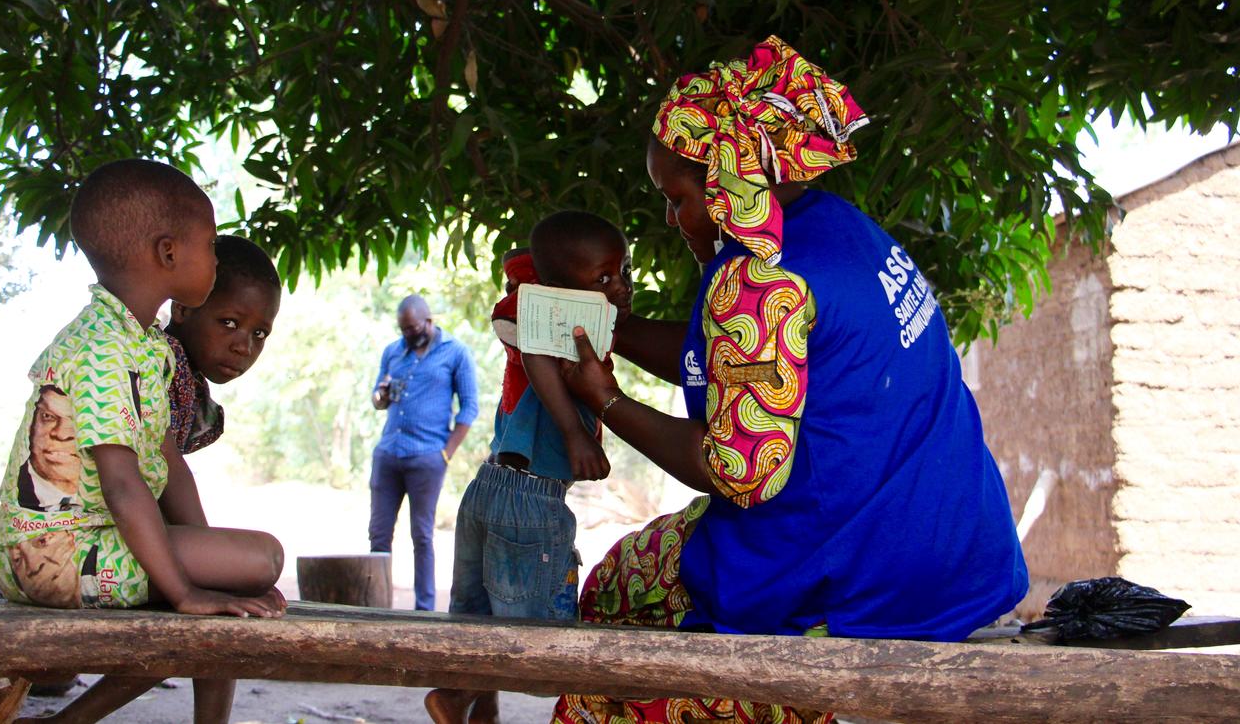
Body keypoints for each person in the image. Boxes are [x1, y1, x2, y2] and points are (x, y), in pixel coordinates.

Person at [551, 36, 1029, 723]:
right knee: (629, 572)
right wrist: (613, 332)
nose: (671, 218)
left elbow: (736, 471)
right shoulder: (840, 230)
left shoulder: (757, 279)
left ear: (722, 187)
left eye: (677, 197)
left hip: (868, 585)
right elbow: (728, 358)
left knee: (603, 649)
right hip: (957, 547)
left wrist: (608, 400)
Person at [0, 158, 286, 724]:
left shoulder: (143, 342)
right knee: (259, 559)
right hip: (52, 556)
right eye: (208, 244)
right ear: (169, 252)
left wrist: (213, 563)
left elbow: (168, 463)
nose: (214, 256)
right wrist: (186, 589)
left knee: (248, 565)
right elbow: (123, 483)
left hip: (85, 545)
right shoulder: (102, 347)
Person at [425, 214, 630, 724]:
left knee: (475, 619)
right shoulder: (543, 319)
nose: (620, 286)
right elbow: (539, 356)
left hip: (490, 488)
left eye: (623, 272)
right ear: (557, 286)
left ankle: (476, 704)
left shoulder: (542, 315)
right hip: (531, 502)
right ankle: (457, 697)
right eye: (603, 278)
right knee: (543, 643)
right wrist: (574, 432)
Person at [370, 294, 479, 610]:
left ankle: (425, 609)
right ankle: (376, 606)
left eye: (412, 327)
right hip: (389, 453)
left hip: (428, 456)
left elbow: (469, 406)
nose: (408, 334)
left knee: (422, 536)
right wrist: (381, 394)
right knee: (378, 534)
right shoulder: (393, 352)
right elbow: (378, 400)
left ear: (428, 321)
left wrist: (446, 453)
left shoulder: (455, 353)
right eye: (403, 329)